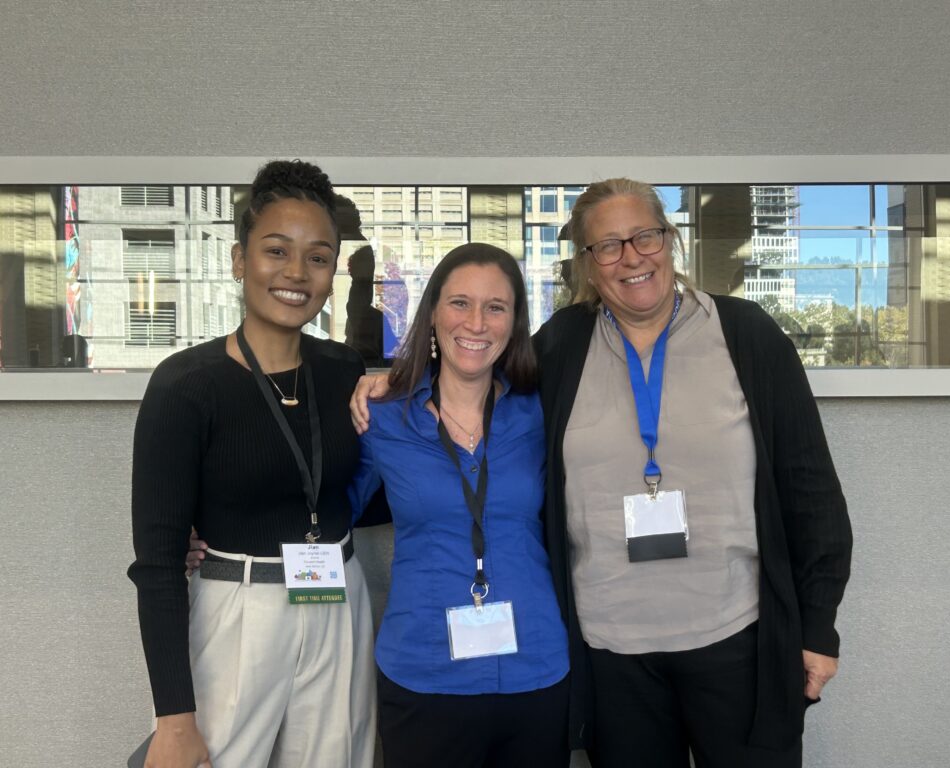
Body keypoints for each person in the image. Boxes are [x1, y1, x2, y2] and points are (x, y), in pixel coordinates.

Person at [352, 178, 853, 768]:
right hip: (612, 654)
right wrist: (389, 378)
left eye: (645, 236)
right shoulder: (563, 346)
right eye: (607, 246)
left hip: (734, 638)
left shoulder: (746, 335)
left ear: (671, 239)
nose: (631, 257)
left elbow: (810, 488)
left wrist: (818, 624)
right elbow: (471, 366)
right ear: (588, 265)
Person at [129, 160, 376, 768]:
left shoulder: (343, 370)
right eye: (276, 251)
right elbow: (158, 564)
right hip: (238, 610)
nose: (296, 273)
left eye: (317, 257)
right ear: (240, 260)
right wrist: (174, 719)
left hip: (339, 600)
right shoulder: (186, 386)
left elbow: (357, 488)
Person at [350, 242, 570, 768]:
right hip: (423, 673)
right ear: (431, 314)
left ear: (514, 323)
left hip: (534, 667)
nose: (476, 322)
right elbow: (325, 509)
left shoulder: (544, 411)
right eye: (459, 303)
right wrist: (215, 531)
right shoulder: (381, 417)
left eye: (496, 307)